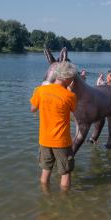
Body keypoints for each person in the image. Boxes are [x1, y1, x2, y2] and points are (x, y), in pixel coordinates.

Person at [30, 61, 77, 190]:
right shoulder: (70, 95)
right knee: (65, 172)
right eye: (72, 78)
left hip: (44, 140)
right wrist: (70, 90)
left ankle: (46, 197)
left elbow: (33, 109)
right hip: (62, 141)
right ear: (68, 79)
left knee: (46, 170)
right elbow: (73, 111)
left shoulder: (40, 91)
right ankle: (64, 201)